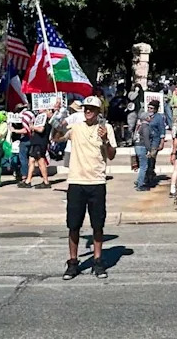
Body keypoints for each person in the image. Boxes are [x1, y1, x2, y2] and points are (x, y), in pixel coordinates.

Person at [51, 96, 117, 280]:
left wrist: (105, 140)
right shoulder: (76, 127)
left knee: (98, 225)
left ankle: (97, 260)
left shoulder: (106, 128)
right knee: (73, 225)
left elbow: (111, 155)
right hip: (76, 182)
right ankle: (73, 262)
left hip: (96, 182)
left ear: (98, 112)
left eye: (92, 109)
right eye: (85, 108)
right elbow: (56, 137)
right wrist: (57, 116)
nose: (88, 111)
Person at [25, 107, 53, 189]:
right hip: (36, 142)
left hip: (40, 143)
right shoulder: (41, 118)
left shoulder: (45, 119)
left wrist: (32, 127)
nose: (38, 109)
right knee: (32, 160)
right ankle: (28, 181)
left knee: (40, 161)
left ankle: (45, 181)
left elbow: (41, 130)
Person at [145, 99, 167, 187]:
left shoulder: (159, 118)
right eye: (148, 108)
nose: (149, 110)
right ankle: (148, 175)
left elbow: (162, 130)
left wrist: (161, 143)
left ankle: (149, 176)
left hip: (155, 141)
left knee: (151, 159)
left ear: (155, 109)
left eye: (151, 108)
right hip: (146, 141)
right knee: (145, 160)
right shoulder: (145, 116)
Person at [133, 111, 153, 191]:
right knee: (143, 166)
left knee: (142, 165)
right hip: (142, 146)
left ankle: (139, 181)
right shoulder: (145, 127)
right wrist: (149, 149)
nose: (151, 118)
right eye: (149, 116)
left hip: (137, 146)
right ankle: (140, 185)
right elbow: (146, 139)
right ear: (146, 118)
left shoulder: (139, 126)